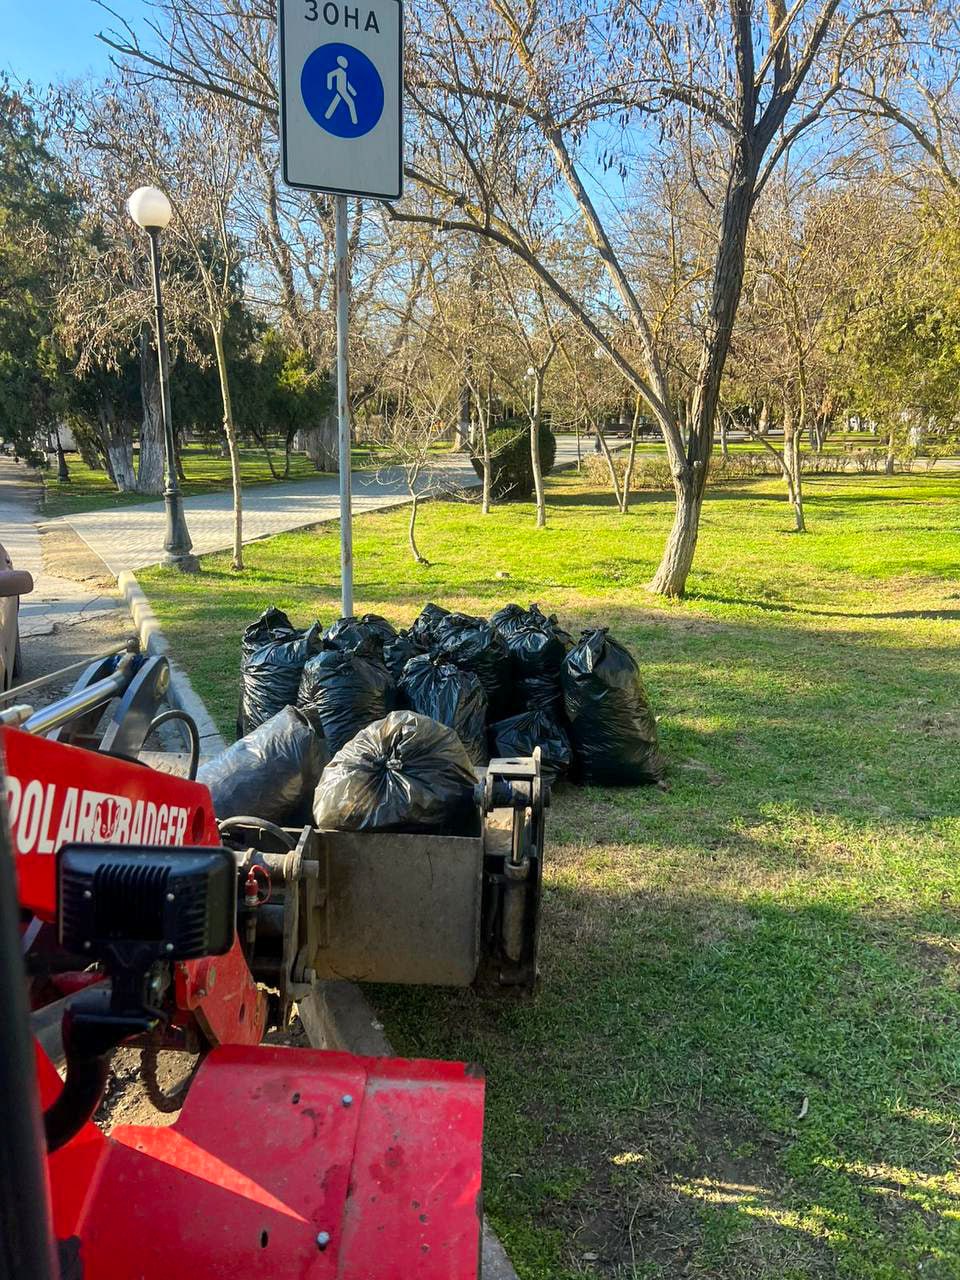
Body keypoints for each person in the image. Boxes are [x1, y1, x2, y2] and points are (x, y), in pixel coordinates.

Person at [325, 55, 358, 126]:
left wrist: (353, 92)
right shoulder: (338, 71)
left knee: (335, 102)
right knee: (351, 103)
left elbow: (347, 83)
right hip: (340, 90)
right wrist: (329, 86)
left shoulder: (344, 73)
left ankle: (327, 116)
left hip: (342, 90)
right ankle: (355, 121)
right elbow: (330, 75)